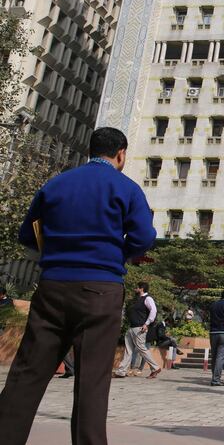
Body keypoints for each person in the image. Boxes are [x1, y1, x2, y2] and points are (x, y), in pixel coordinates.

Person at [0, 127, 156, 445]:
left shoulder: (55, 185)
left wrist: (57, 253)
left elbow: (27, 234)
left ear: (90, 150)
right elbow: (143, 237)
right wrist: (116, 255)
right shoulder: (125, 188)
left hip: (52, 286)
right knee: (92, 381)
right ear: (121, 154)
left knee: (27, 372)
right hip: (101, 289)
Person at [114, 282, 162, 379]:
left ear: (141, 289)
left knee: (141, 348)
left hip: (140, 328)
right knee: (128, 350)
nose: (135, 289)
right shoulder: (137, 300)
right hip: (132, 328)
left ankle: (155, 367)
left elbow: (153, 310)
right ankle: (121, 371)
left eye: (136, 288)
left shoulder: (148, 298)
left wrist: (147, 323)